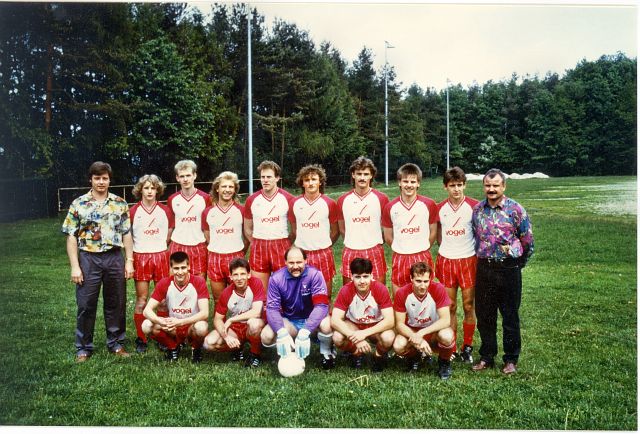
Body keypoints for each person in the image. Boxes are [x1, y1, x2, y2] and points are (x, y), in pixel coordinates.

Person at [62, 161, 134, 362]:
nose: (101, 182)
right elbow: (71, 236)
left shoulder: (120, 203)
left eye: (104, 178)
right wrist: (75, 267)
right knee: (86, 304)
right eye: (97, 178)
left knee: (116, 303)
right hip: (88, 258)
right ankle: (83, 348)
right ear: (91, 180)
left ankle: (116, 343)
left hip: (114, 257)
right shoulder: (79, 204)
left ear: (109, 180)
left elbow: (126, 233)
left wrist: (129, 261)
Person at [471, 168, 534, 375]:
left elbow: (527, 241)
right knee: (485, 315)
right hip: (485, 268)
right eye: (488, 185)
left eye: (495, 185)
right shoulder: (478, 210)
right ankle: (487, 356)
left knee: (510, 315)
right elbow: (475, 236)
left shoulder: (515, 210)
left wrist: (517, 263)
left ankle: (510, 359)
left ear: (503, 186)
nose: (491, 189)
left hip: (508, 269)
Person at [260, 246, 336, 370]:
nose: (295, 266)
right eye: (291, 263)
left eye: (299, 262)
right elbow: (272, 309)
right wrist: (281, 332)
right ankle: (288, 353)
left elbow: (321, 306)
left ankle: (326, 353)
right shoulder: (276, 279)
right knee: (266, 336)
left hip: (312, 320)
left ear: (306, 261)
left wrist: (306, 330)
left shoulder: (315, 275)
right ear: (285, 262)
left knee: (326, 325)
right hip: (291, 321)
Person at [435, 167, 479, 363]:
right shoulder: (439, 208)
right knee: (450, 306)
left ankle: (467, 346)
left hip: (468, 260)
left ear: (465, 185)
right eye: (452, 185)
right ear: (446, 187)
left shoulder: (474, 206)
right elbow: (437, 234)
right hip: (447, 260)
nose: (456, 189)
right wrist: (447, 249)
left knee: (468, 305)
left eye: (460, 185)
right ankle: (451, 345)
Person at [129, 174, 174, 353]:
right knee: (142, 299)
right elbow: (128, 236)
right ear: (140, 190)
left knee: (162, 300)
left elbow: (169, 233)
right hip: (141, 257)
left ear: (157, 190)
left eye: (153, 188)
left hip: (160, 256)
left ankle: (161, 335)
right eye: (146, 188)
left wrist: (159, 248)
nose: (149, 191)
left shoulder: (165, 211)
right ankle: (141, 338)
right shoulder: (133, 211)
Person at [142, 251, 209, 363]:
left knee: (202, 327)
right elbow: (146, 310)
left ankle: (196, 348)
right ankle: (172, 347)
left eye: (183, 267)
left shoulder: (198, 282)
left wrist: (181, 322)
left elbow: (205, 313)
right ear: (171, 269)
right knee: (146, 325)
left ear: (189, 266)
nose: (180, 272)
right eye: (176, 268)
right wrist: (160, 321)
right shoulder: (165, 283)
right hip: (173, 327)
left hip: (191, 325)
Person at [382, 163, 438, 295]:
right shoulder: (390, 207)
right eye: (405, 181)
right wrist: (403, 248)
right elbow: (388, 237)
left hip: (421, 255)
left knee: (425, 297)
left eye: (413, 182)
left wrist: (420, 247)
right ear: (399, 182)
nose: (409, 185)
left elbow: (433, 232)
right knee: (400, 297)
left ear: (418, 183)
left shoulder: (429, 204)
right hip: (400, 256)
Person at [392, 261, 455, 380]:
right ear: (411, 278)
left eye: (426, 281)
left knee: (447, 336)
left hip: (433, 331)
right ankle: (414, 358)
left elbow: (446, 320)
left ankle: (444, 363)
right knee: (398, 345)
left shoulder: (438, 289)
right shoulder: (402, 293)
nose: (422, 286)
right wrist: (416, 337)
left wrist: (421, 333)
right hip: (412, 331)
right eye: (418, 281)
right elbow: (399, 324)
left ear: (430, 279)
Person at [331, 258, 395, 372]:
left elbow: (390, 321)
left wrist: (364, 333)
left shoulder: (380, 288)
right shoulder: (346, 290)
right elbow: (335, 320)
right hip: (355, 325)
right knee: (337, 337)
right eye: (358, 277)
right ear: (352, 277)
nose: (362, 281)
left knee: (388, 337)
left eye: (365, 276)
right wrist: (356, 338)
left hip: (375, 325)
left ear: (371, 276)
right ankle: (357, 353)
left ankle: (378, 356)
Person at [288, 164, 340, 299]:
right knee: (302, 294)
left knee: (325, 295)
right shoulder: (294, 203)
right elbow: (294, 230)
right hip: (302, 254)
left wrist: (324, 244)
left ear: (320, 181)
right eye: (307, 180)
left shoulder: (329, 203)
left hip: (323, 253)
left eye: (314, 179)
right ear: (302, 183)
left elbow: (335, 231)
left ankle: (325, 311)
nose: (310, 183)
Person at [203, 258, 266, 368]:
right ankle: (237, 347)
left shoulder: (256, 283)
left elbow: (256, 312)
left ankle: (255, 354)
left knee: (254, 324)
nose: (239, 278)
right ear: (231, 277)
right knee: (209, 343)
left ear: (248, 274)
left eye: (242, 274)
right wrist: (226, 337)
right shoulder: (227, 293)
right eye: (235, 275)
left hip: (253, 324)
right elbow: (217, 319)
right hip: (237, 328)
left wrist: (231, 319)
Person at [337, 156, 389, 285]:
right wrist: (355, 241)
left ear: (371, 176)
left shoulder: (381, 198)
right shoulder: (343, 200)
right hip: (351, 249)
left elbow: (388, 227)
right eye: (359, 173)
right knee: (350, 291)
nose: (362, 177)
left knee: (378, 290)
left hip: (374, 250)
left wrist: (375, 241)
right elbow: (342, 228)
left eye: (366, 174)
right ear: (353, 175)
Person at [243, 160, 295, 292]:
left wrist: (286, 243)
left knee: (284, 289)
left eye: (269, 177)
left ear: (277, 178)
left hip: (281, 244)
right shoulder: (251, 200)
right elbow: (247, 229)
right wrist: (256, 243)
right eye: (263, 177)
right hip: (259, 246)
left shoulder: (288, 199)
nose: (265, 180)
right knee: (260, 291)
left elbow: (295, 230)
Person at [202, 171, 248, 302]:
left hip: (236, 256)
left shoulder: (241, 210)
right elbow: (207, 236)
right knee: (219, 299)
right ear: (217, 188)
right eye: (224, 186)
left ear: (235, 190)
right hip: (215, 258)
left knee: (240, 297)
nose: (227, 190)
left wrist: (239, 252)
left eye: (231, 187)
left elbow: (247, 236)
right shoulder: (207, 212)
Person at [168, 160, 211, 279]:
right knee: (176, 282)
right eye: (182, 176)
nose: (185, 179)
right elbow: (170, 225)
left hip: (198, 245)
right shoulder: (172, 199)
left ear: (194, 175)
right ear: (177, 178)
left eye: (188, 175)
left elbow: (209, 226)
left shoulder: (205, 198)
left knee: (199, 283)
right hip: (178, 245)